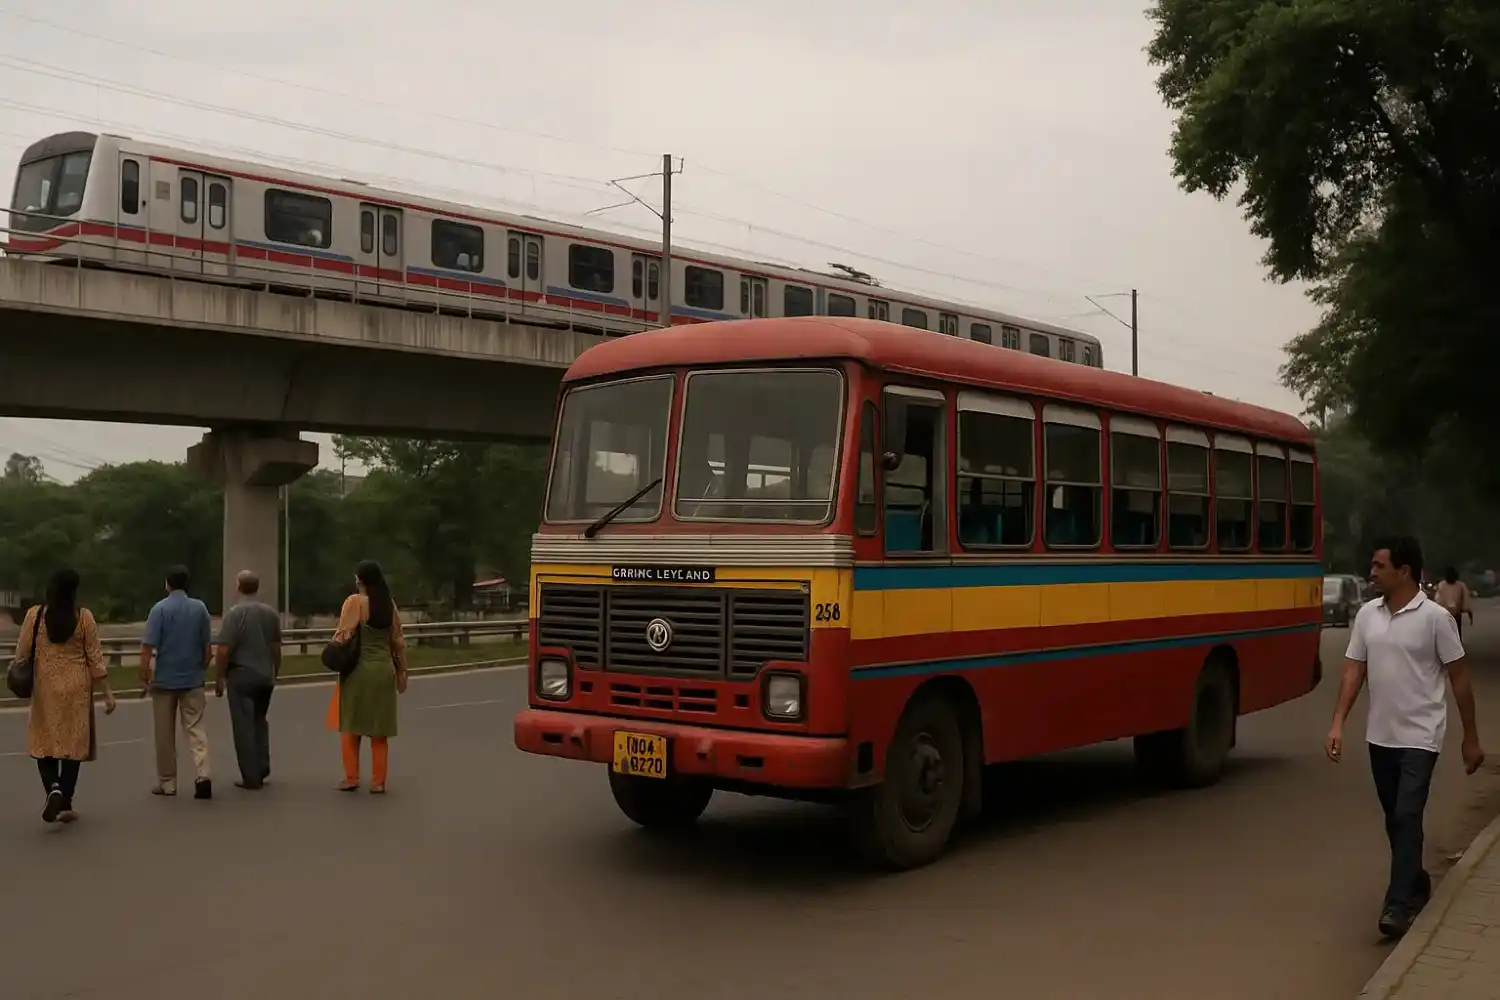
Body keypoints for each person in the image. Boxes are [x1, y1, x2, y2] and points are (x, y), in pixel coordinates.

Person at [1325, 536, 1485, 939]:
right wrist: (1338, 722)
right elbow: (1353, 670)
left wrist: (1471, 738)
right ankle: (1415, 880)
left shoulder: (1435, 618)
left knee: (1407, 814)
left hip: (1421, 736)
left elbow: (1460, 678)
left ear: (1405, 571)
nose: (1372, 573)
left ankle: (1397, 906)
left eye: (1380, 566)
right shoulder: (1366, 616)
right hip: (1380, 736)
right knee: (1395, 820)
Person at [20, 569, 117, 824]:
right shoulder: (83, 616)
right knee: (74, 746)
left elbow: (21, 654)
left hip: (46, 689)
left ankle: (53, 786)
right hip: (78, 689)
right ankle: (65, 801)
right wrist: (108, 694)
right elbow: (95, 658)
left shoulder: (35, 615)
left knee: (44, 742)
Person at [324, 561, 409, 793]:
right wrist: (402, 671)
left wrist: (332, 651)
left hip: (358, 671)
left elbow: (344, 634)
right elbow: (398, 642)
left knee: (351, 724)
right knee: (379, 728)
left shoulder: (354, 603)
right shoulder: (388, 605)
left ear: (360, 580)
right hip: (383, 670)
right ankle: (378, 782)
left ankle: (351, 777)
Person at [140, 565, 215, 799]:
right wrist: (200, 668)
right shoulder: (200, 608)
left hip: (165, 680)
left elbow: (148, 646)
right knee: (196, 728)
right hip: (192, 679)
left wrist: (144, 675)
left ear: (167, 584)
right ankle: (203, 774)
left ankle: (168, 782)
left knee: (164, 734)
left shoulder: (159, 610)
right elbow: (207, 648)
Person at [214, 570, 282, 790]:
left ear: (238, 587)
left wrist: (220, 676)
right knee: (260, 721)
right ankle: (262, 766)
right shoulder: (270, 614)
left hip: (242, 675)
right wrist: (275, 671)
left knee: (243, 726)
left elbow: (223, 650)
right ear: (257, 587)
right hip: (264, 674)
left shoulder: (234, 614)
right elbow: (275, 648)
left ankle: (251, 777)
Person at [1435, 567, 1475, 639]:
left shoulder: (1460, 585)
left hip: (1452, 613)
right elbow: (1438, 599)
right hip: (1447, 613)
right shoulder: (1443, 585)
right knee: (1453, 631)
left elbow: (1437, 599)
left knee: (1452, 631)